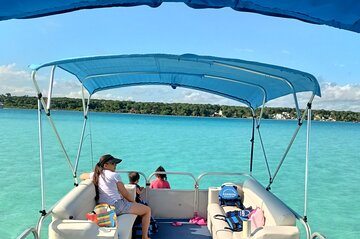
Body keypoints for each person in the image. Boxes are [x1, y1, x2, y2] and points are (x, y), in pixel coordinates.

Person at [80, 154, 151, 239]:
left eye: (115, 164)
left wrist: (91, 174)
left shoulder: (96, 174)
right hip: (116, 206)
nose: (115, 165)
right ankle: (145, 237)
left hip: (103, 207)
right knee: (147, 210)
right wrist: (134, 202)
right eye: (113, 163)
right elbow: (125, 193)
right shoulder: (115, 175)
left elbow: (82, 176)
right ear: (105, 165)